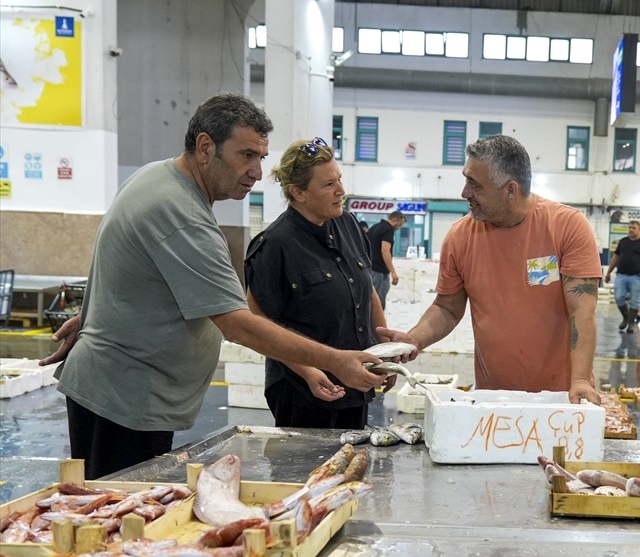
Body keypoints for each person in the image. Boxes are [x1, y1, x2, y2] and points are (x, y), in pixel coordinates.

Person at [41, 93, 385, 479]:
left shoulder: (155, 175)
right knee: (117, 515)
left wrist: (91, 316)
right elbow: (238, 323)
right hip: (127, 398)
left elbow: (119, 259)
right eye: (246, 155)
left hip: (124, 389)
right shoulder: (183, 216)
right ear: (205, 147)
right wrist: (336, 360)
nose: (256, 171)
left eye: (260, 157)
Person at [375, 135, 602, 404]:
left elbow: (582, 312)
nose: (464, 192)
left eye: (475, 184)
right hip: (493, 397)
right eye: (466, 179)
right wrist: (414, 339)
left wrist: (579, 381)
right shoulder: (460, 237)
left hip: (562, 397)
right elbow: (447, 308)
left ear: (510, 190)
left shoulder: (567, 227)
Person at [245, 138, 393, 429]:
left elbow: (367, 289)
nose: (341, 190)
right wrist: (308, 370)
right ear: (298, 192)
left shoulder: (348, 225)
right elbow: (256, 318)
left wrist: (385, 352)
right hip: (301, 389)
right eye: (328, 185)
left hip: (356, 382)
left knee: (351, 468)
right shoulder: (275, 245)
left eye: (339, 179)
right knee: (302, 470)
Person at [605, 220, 640, 333]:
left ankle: (631, 323)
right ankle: (626, 317)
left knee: (635, 301)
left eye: (634, 228)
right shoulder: (623, 242)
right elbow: (616, 257)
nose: (631, 230)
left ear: (639, 230)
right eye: (630, 228)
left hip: (636, 277)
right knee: (618, 297)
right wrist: (609, 272)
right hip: (621, 275)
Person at [366, 210, 406, 311]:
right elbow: (385, 251)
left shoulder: (375, 227)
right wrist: (393, 272)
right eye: (400, 224)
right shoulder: (388, 230)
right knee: (378, 304)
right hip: (379, 272)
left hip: (369, 270)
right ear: (396, 220)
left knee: (369, 302)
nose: (399, 227)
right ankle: (377, 326)